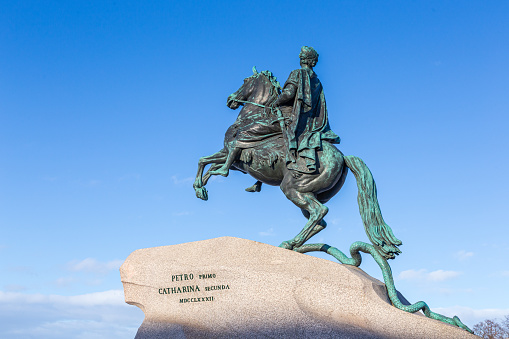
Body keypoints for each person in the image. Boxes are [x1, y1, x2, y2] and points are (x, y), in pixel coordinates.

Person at [274, 46, 340, 174]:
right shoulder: (317, 81)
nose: (300, 58)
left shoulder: (297, 73)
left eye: (302, 57)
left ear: (305, 60)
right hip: (311, 123)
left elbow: (288, 94)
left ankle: (291, 160)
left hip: (297, 119)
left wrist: (276, 102)